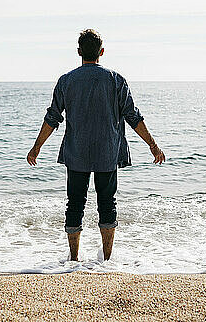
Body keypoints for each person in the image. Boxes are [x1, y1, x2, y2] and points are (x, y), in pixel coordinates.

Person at [26, 29, 165, 261]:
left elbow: (52, 117)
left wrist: (36, 147)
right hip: (107, 153)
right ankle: (107, 259)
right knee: (107, 204)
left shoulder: (66, 80)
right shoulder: (116, 80)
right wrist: (152, 145)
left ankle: (73, 258)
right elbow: (133, 117)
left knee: (75, 204)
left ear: (79, 52)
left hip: (76, 152)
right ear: (101, 51)